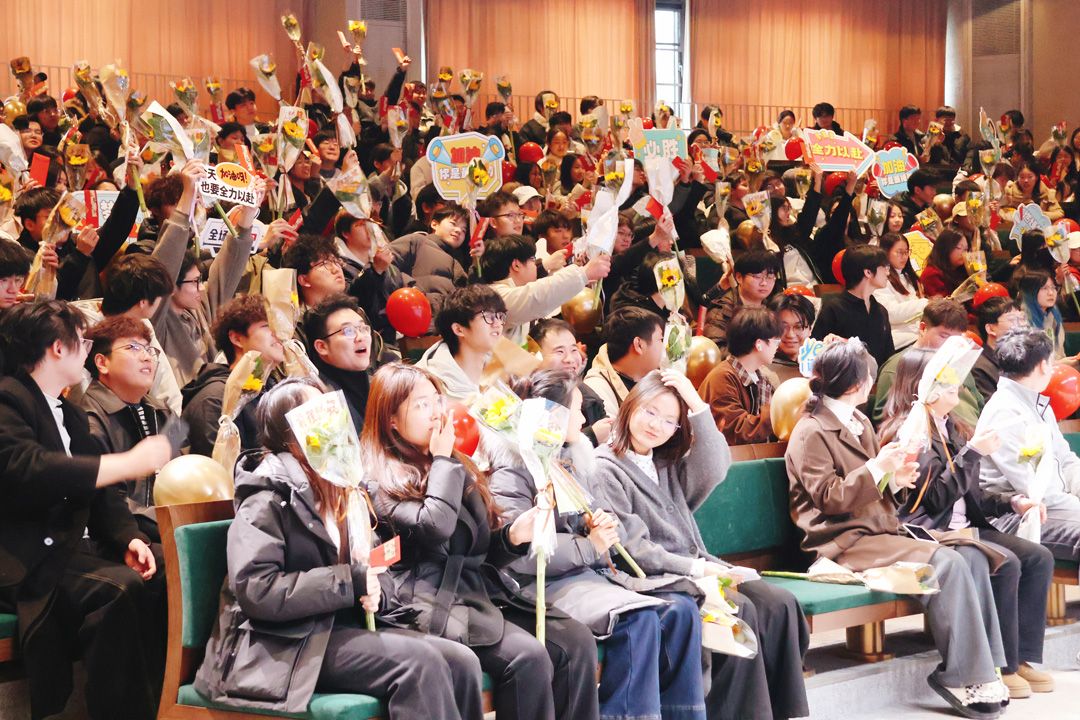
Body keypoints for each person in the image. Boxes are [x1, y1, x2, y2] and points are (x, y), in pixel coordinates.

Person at [193, 378, 481, 719]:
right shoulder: (267, 496)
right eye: (315, 411)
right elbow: (257, 589)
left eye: (329, 407)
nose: (330, 418)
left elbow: (371, 566)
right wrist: (349, 581)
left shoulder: (341, 484)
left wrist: (376, 591)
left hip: (338, 627)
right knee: (421, 664)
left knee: (461, 661)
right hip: (285, 643)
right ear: (290, 431)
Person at [785, 339, 1009, 718]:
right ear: (857, 384)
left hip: (877, 530)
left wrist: (895, 478)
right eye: (869, 375)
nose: (873, 381)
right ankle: (964, 677)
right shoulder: (811, 431)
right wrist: (878, 469)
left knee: (971, 555)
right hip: (841, 541)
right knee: (947, 562)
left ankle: (987, 670)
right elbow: (829, 497)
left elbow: (874, 485)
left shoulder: (858, 422)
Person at [488, 369, 706, 720]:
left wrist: (597, 525)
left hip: (585, 575)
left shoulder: (568, 460)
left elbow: (586, 521)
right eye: (575, 410)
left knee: (678, 611)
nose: (582, 419)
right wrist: (589, 545)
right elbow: (522, 556)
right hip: (538, 586)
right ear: (551, 416)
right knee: (640, 618)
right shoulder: (511, 471)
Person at [594, 370, 810, 720]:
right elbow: (633, 549)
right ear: (630, 405)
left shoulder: (664, 461)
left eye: (669, 421)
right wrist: (698, 569)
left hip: (698, 567)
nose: (656, 425)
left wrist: (696, 403)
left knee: (779, 603)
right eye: (650, 411)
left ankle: (783, 712)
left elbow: (714, 466)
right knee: (739, 610)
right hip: (659, 578)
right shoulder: (605, 468)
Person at [363, 362, 572, 720]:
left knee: (566, 641)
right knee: (526, 657)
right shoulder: (380, 480)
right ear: (391, 420)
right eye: (421, 405)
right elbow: (435, 527)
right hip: (420, 602)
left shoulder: (451, 463)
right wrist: (443, 460)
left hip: (472, 594)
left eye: (436, 400)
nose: (436, 413)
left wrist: (513, 536)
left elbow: (477, 550)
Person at [0, 299, 172, 720]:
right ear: (58, 347)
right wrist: (127, 462)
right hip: (24, 556)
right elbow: (29, 468)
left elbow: (102, 494)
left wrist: (128, 537)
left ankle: (163, 706)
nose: (87, 353)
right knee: (117, 589)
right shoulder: (7, 400)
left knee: (165, 571)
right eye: (82, 342)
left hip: (67, 550)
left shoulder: (70, 413)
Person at [879, 346, 1055, 699]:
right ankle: (1001, 665)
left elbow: (972, 495)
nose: (956, 387)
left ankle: (1021, 658)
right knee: (1006, 563)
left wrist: (1012, 501)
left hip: (966, 527)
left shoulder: (953, 428)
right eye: (947, 381)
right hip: (933, 530)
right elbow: (935, 499)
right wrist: (972, 453)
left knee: (1038, 557)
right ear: (923, 385)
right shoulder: (909, 432)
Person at [976, 328, 1080, 563]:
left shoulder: (1036, 403)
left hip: (1051, 505)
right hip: (1015, 514)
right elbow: (1035, 489)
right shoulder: (1004, 412)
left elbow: (1066, 459)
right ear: (1043, 365)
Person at [81, 316, 175, 538]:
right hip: (122, 536)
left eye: (149, 349)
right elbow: (107, 502)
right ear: (102, 362)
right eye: (133, 348)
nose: (146, 357)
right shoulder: (88, 419)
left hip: (167, 523)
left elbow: (182, 473)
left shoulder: (161, 410)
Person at [182, 295, 286, 457]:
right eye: (266, 326)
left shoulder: (270, 387)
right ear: (237, 338)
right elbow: (227, 466)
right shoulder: (215, 399)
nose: (277, 333)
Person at [870, 298, 984, 427]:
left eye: (955, 340)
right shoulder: (897, 367)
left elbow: (979, 403)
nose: (949, 345)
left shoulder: (955, 361)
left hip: (975, 433)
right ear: (923, 328)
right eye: (944, 336)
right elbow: (887, 423)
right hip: (934, 437)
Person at [481, 234, 609, 346]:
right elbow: (538, 294)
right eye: (533, 260)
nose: (535, 266)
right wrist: (583, 273)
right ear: (516, 265)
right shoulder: (495, 298)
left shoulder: (508, 294)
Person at [699, 307, 782, 445]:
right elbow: (736, 431)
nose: (777, 347)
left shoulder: (761, 379)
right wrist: (778, 409)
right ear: (759, 344)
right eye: (776, 342)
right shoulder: (722, 378)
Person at [416, 284, 508, 401]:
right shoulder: (427, 386)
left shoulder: (501, 366)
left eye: (500, 316)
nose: (498, 324)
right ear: (459, 329)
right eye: (488, 316)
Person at [531, 318, 612, 444]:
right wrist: (591, 436)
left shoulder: (590, 399)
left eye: (574, 350)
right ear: (535, 356)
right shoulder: (527, 398)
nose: (570, 359)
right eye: (560, 351)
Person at [811, 245, 895, 367]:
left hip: (878, 377)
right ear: (868, 272)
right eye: (885, 267)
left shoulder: (881, 311)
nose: (888, 272)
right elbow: (816, 350)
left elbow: (889, 357)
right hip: (844, 377)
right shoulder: (834, 308)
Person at [303, 294, 375, 432]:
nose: (361, 337)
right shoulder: (318, 400)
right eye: (348, 331)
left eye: (363, 328)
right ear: (322, 347)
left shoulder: (377, 385)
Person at [391, 204, 473, 319]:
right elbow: (387, 262)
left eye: (464, 230)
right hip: (412, 314)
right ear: (434, 224)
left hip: (441, 323)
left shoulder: (455, 263)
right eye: (453, 224)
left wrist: (477, 261)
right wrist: (412, 289)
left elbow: (469, 296)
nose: (458, 230)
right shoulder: (417, 241)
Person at [584, 307, 665, 418]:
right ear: (639, 345)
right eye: (660, 340)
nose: (665, 347)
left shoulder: (653, 378)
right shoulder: (597, 390)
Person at [703, 250, 781, 349]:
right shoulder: (723, 310)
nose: (764, 283)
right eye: (757, 277)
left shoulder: (773, 307)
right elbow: (717, 350)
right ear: (739, 277)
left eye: (770, 277)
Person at [874, 232, 928, 349]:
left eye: (907, 252)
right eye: (899, 252)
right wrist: (924, 303)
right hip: (900, 340)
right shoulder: (881, 280)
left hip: (916, 334)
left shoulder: (907, 276)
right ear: (886, 252)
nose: (904, 256)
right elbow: (891, 313)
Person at [971, 297, 1027, 402]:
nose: (1021, 325)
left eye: (1021, 318)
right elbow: (994, 407)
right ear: (990, 329)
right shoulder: (978, 367)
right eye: (1012, 320)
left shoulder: (1022, 357)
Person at [1015, 270, 1068, 360]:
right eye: (1044, 288)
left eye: (1053, 288)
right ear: (1030, 292)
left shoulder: (1053, 314)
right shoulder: (1021, 321)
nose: (1051, 293)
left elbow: (1059, 354)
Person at [766, 292, 815, 384]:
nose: (790, 335)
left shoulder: (819, 365)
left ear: (810, 329)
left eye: (798, 327)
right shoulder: (761, 371)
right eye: (783, 327)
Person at [1002, 159, 1064, 225]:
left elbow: (1059, 213)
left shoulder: (1046, 193)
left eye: (1030, 177)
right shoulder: (1010, 192)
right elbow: (1001, 211)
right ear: (1017, 178)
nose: (1026, 180)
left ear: (1036, 177)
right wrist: (1018, 216)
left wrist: (1039, 214)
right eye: (1022, 177)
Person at [920, 229, 970, 298]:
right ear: (945, 248)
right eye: (959, 248)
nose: (964, 253)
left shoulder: (961, 269)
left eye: (966, 249)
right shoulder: (931, 274)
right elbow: (943, 302)